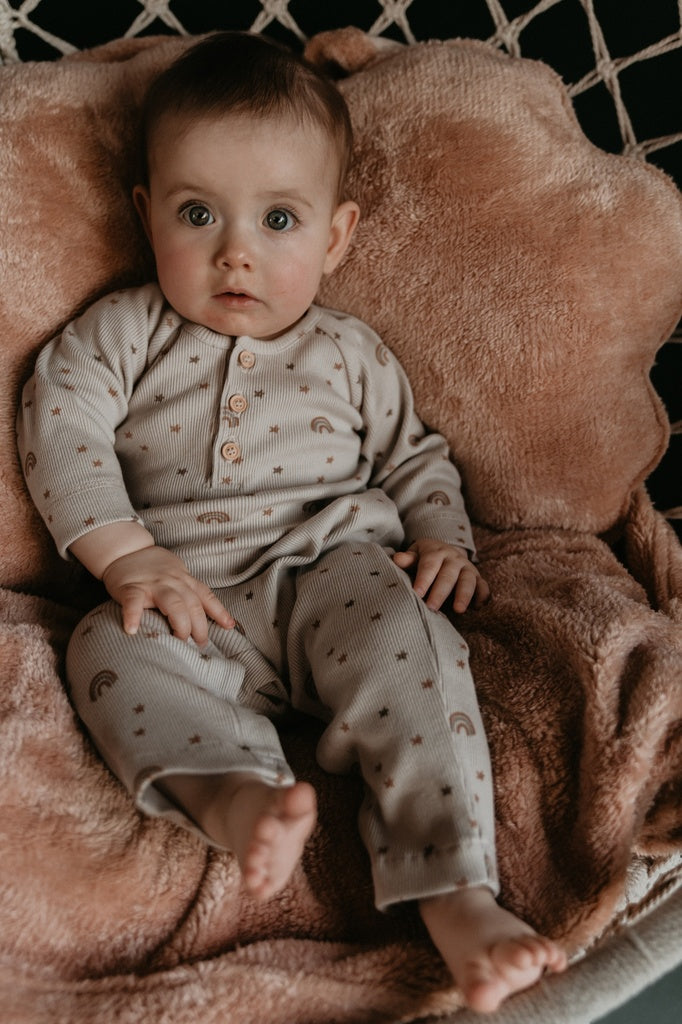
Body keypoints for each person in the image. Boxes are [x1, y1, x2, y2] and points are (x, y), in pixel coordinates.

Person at [17, 31, 566, 1013]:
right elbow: (60, 427)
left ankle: (454, 890)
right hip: (186, 593)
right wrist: (126, 556)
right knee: (105, 647)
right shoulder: (122, 333)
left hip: (331, 569)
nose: (236, 250)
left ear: (336, 236)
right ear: (146, 214)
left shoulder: (351, 352)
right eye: (197, 213)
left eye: (278, 219)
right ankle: (235, 796)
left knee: (408, 636)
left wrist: (444, 539)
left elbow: (415, 457)